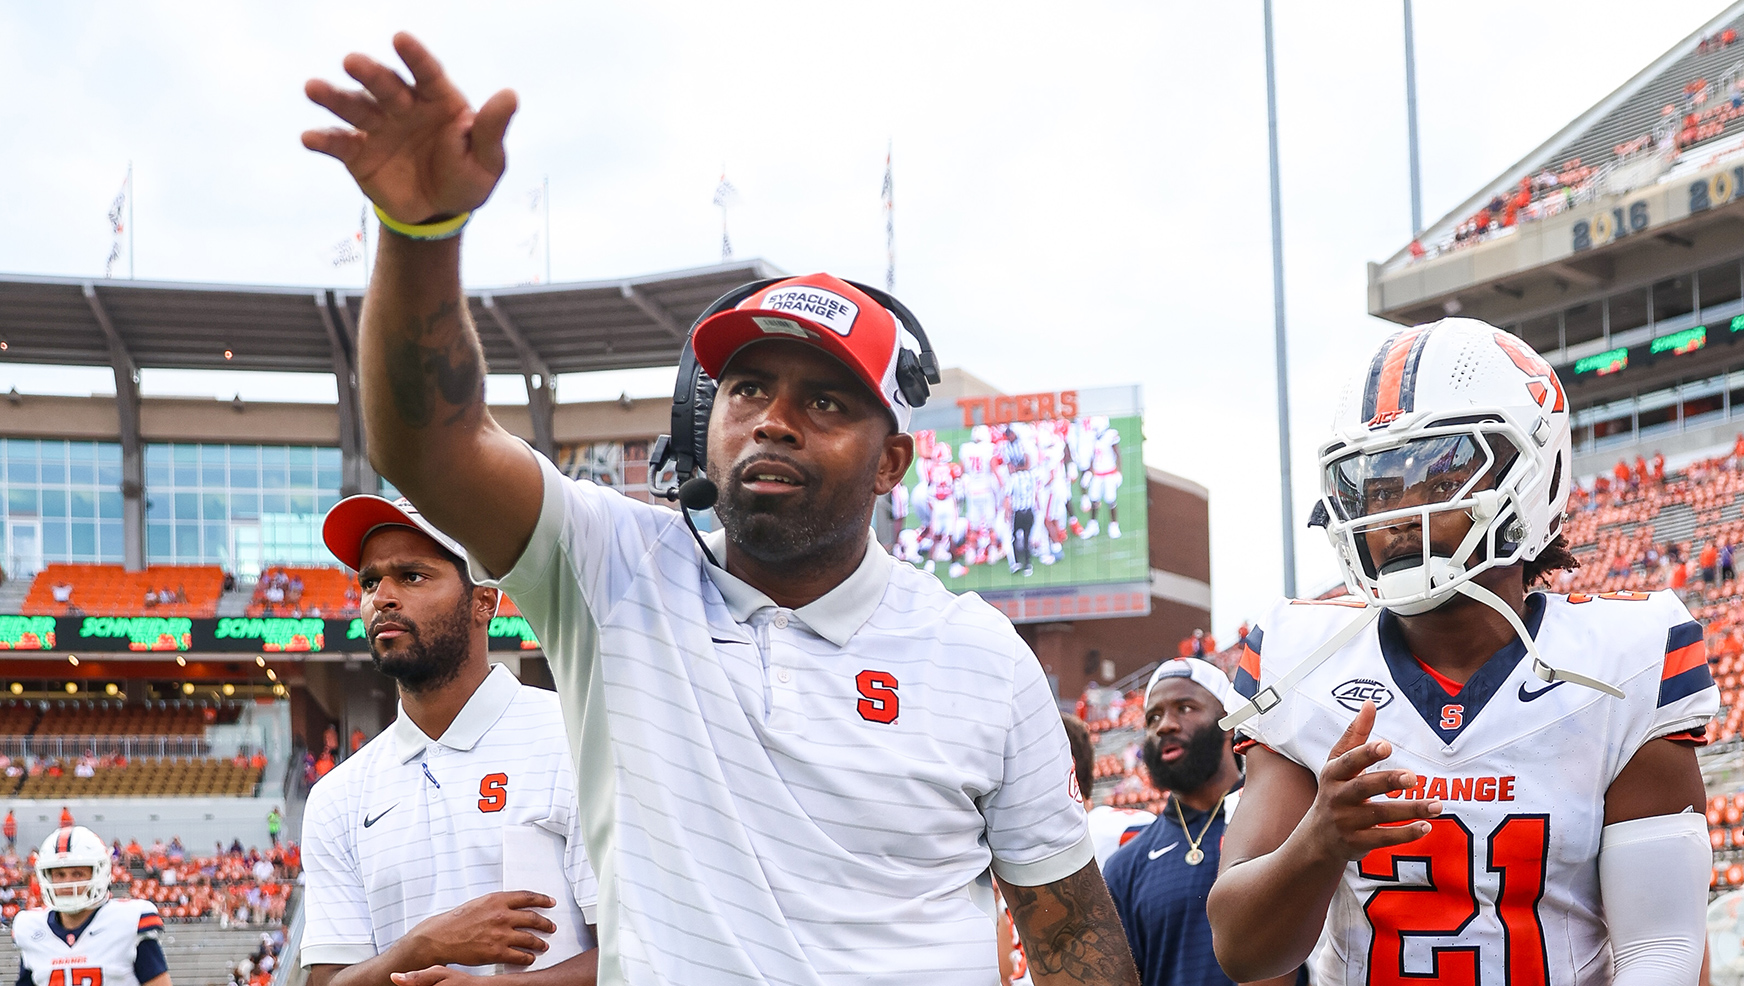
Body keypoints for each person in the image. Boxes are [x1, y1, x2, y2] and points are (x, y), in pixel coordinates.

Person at [303, 31, 1135, 986]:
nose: (773, 421)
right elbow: (430, 444)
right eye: (747, 390)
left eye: (824, 402)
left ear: (891, 462)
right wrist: (419, 238)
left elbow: (1072, 938)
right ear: (707, 426)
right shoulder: (614, 573)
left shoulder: (982, 659)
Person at [1207, 318, 1718, 985]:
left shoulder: (1627, 657)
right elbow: (1244, 953)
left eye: (1439, 477)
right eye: (1380, 486)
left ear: (1532, 476)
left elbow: (1662, 954)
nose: (1396, 514)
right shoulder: (1304, 660)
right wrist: (1320, 840)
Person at [300, 495, 599, 986]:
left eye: (412, 576)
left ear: (486, 599)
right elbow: (326, 981)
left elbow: (637, 951)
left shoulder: (574, 737)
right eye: (370, 581)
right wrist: (422, 945)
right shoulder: (338, 795)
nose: (382, 597)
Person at [1101, 660, 1301, 986]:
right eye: (1153, 717)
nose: (1165, 725)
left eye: (1185, 707)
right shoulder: (1127, 865)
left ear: (1229, 722)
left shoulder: (1284, 826)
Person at [13, 826, 171, 986]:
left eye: (77, 874)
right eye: (59, 874)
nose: (68, 883)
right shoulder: (31, 928)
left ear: (99, 873)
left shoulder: (128, 921)